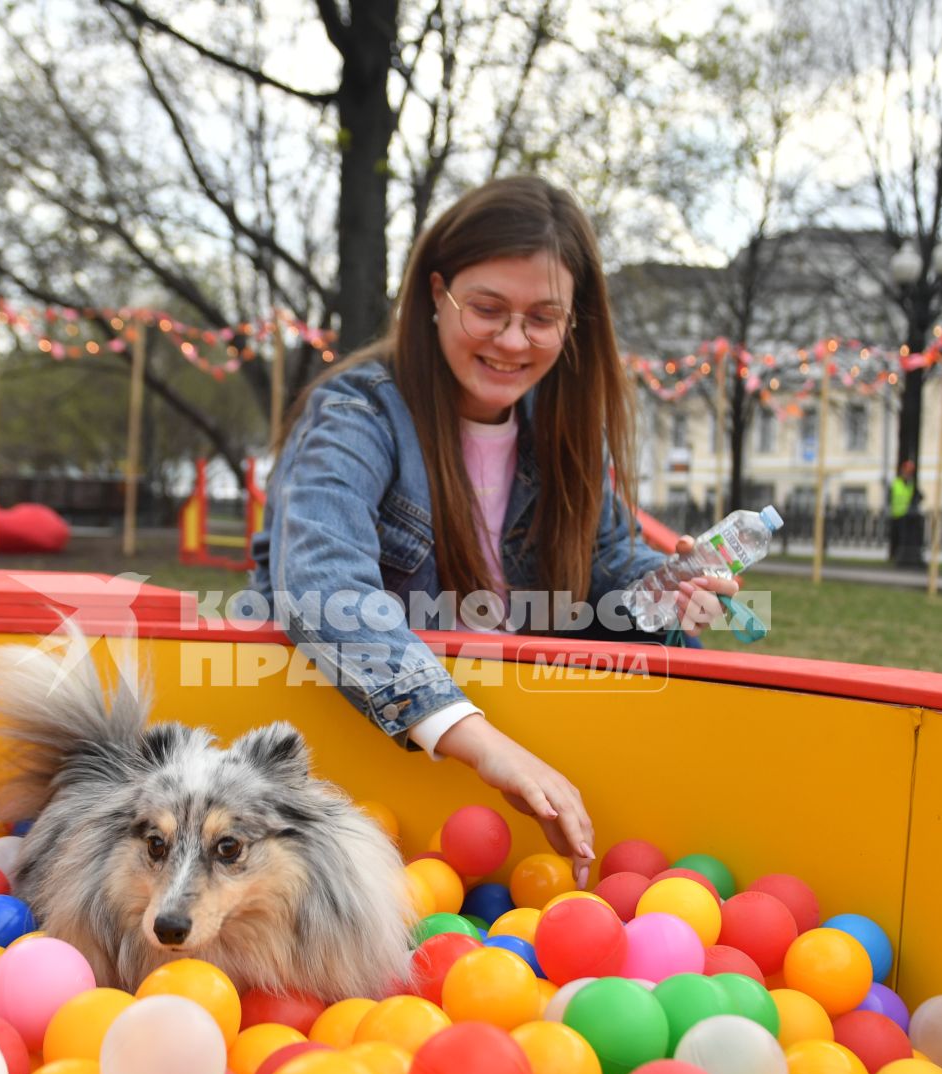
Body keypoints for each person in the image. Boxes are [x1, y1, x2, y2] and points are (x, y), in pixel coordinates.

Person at [250, 175, 740, 885]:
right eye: (487, 309)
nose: (513, 341)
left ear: (575, 322)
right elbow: (322, 588)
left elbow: (600, 560)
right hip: (376, 773)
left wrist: (662, 585)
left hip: (540, 767)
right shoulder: (356, 415)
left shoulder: (566, 424)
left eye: (543, 318)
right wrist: (478, 741)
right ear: (435, 294)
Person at [889, 458, 923, 565]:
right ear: (902, 471)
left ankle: (909, 559)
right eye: (907, 471)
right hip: (898, 515)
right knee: (899, 538)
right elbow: (890, 498)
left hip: (909, 516)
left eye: (910, 472)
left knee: (909, 538)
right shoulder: (896, 483)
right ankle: (899, 559)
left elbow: (919, 496)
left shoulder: (911, 484)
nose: (908, 474)